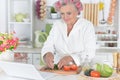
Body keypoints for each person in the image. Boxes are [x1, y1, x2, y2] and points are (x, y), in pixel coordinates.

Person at [41, 0, 96, 69]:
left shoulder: (87, 26)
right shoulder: (57, 25)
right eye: (62, 13)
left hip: (80, 69)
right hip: (59, 69)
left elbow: (90, 52)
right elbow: (48, 44)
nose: (65, 17)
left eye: (69, 13)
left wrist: (71, 58)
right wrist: (47, 53)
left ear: (77, 12)